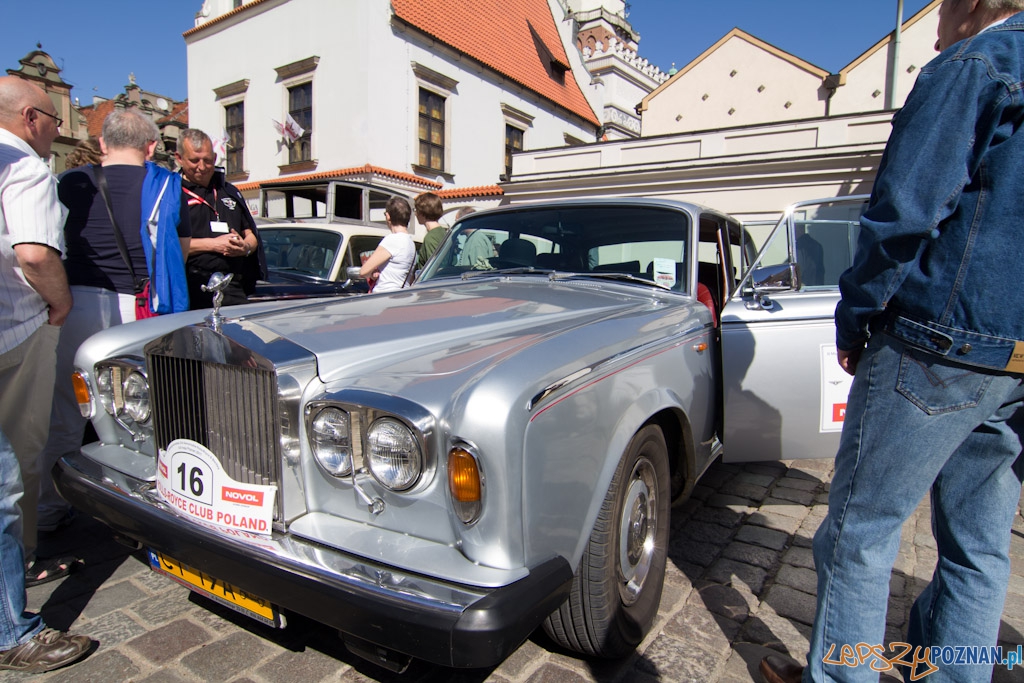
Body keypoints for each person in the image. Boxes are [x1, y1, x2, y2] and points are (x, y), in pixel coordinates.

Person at [760, 2, 1024, 682]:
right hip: (1015, 356)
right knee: (980, 549)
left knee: (859, 536)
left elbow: (903, 214)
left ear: (969, 6)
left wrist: (856, 317)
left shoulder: (975, 63)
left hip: (939, 339)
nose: (933, 31)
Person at [37, 109, 190, 546]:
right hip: (138, 309)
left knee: (65, 413)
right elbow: (175, 252)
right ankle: (140, 504)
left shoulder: (72, 183)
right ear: (148, 147)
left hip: (75, 302)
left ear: (102, 144)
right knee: (143, 414)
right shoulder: (164, 185)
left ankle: (50, 508)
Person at [0, 75, 94, 672]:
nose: (57, 131)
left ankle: (20, 567)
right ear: (34, 118)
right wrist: (57, 304)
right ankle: (13, 628)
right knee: (12, 470)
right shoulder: (26, 164)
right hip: (13, 332)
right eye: (55, 121)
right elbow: (35, 252)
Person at [176, 128, 265, 308]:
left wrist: (245, 246)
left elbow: (251, 235)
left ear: (215, 158)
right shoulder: (173, 193)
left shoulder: (229, 191)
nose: (201, 167)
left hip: (231, 285)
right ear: (179, 158)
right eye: (194, 161)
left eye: (207, 160)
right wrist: (214, 245)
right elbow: (168, 244)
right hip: (191, 285)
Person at [359, 196, 415, 292]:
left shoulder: (392, 240)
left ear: (388, 216)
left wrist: (372, 274)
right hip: (401, 294)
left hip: (384, 295)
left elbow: (363, 271)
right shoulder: (411, 244)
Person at [414, 192, 445, 269]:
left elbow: (434, 268)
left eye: (416, 210)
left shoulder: (431, 238)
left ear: (421, 212)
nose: (415, 214)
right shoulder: (443, 232)